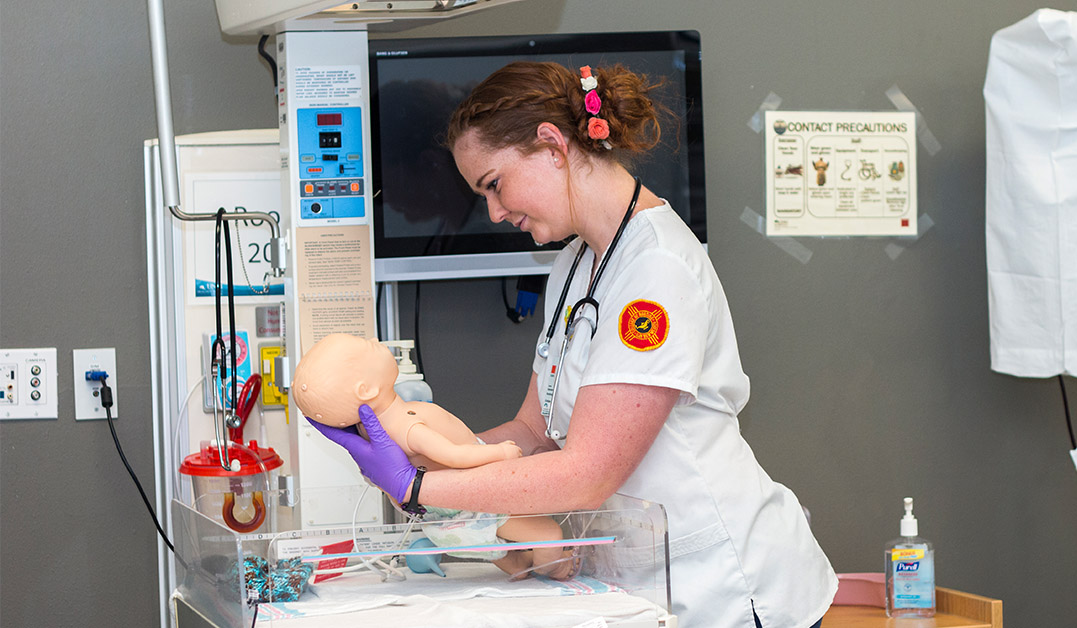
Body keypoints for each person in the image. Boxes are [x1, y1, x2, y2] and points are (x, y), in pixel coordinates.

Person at [308, 61, 838, 627]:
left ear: (552, 146)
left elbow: (588, 472)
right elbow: (534, 433)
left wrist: (422, 488)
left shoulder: (655, 268)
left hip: (722, 586)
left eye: (494, 184)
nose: (494, 212)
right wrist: (421, 449)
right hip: (636, 577)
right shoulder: (574, 261)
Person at [296, 333, 573, 579]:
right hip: (477, 503)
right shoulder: (407, 428)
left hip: (450, 512)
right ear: (366, 390)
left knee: (507, 554)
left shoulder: (373, 429)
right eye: (367, 346)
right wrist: (500, 451)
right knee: (550, 535)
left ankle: (519, 565)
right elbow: (453, 456)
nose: (376, 342)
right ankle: (555, 569)